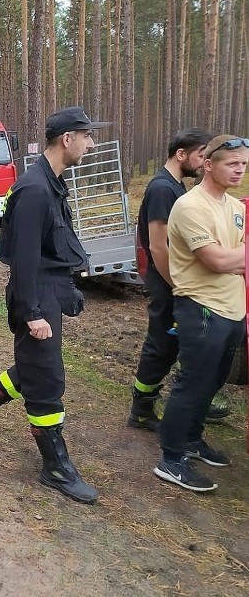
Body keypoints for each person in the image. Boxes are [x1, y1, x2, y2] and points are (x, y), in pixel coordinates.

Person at [0, 106, 108, 504]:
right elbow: (23, 260)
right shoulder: (35, 189)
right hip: (34, 294)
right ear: (67, 139)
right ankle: (55, 467)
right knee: (46, 382)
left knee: (33, 367)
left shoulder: (52, 183)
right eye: (87, 136)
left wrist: (67, 286)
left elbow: (51, 245)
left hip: (48, 289)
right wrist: (34, 312)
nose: (91, 144)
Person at [153, 135, 248, 492]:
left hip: (232, 311)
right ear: (208, 165)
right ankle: (171, 458)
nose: (239, 169)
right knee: (192, 385)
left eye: (243, 164)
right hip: (201, 309)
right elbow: (217, 260)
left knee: (213, 382)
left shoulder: (235, 208)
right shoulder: (191, 207)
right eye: (231, 163)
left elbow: (237, 258)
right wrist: (239, 259)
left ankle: (192, 440)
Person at [127, 128, 232, 430]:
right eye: (201, 155)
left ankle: (194, 398)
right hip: (167, 280)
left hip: (176, 279)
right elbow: (159, 245)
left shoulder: (175, 186)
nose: (203, 163)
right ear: (181, 154)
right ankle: (142, 409)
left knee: (182, 343)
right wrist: (179, 285)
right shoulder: (162, 188)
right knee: (161, 344)